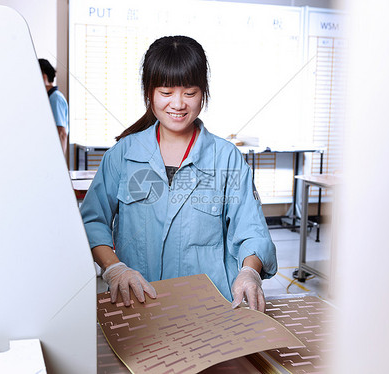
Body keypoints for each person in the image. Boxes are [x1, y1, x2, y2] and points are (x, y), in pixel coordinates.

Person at [80, 36, 277, 312]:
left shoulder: (227, 158)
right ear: (149, 92)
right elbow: (91, 222)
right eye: (166, 92)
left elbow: (252, 231)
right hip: (138, 306)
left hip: (211, 310)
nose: (178, 103)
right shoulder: (122, 155)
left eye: (189, 92)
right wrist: (115, 269)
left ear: (203, 93)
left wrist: (249, 272)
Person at [39, 58, 69, 157]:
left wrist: (59, 162)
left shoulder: (55, 98)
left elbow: (61, 133)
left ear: (44, 77)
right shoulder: (49, 98)